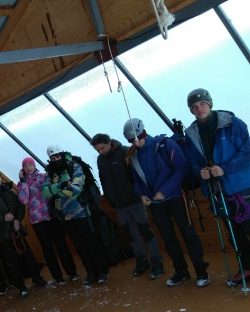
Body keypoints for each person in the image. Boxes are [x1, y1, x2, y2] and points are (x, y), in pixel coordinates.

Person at [123, 118, 210, 287]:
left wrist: (165, 190)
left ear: (144, 133)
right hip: (155, 204)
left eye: (137, 138)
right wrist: (141, 194)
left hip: (175, 197)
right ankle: (181, 271)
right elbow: (136, 179)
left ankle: (201, 270)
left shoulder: (164, 144)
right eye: (131, 140)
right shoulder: (133, 155)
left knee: (188, 234)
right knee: (168, 238)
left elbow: (182, 168)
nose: (135, 143)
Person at [184, 88, 250, 287]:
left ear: (210, 103)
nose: (199, 109)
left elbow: (247, 151)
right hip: (217, 190)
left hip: (241, 186)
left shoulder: (232, 123)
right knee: (234, 232)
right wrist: (200, 172)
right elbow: (192, 161)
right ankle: (247, 266)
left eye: (202, 104)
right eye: (194, 107)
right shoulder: (191, 133)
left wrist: (225, 168)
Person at [90, 133, 164, 278]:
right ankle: (142, 261)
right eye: (97, 150)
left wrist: (138, 193)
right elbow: (103, 180)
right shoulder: (101, 160)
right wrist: (110, 198)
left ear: (109, 142)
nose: (100, 152)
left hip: (134, 201)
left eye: (102, 148)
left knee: (146, 232)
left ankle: (157, 262)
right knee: (131, 235)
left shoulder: (125, 152)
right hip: (119, 205)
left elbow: (137, 174)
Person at [42, 145, 109, 285]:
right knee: (79, 246)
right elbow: (45, 192)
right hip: (64, 216)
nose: (55, 160)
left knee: (91, 242)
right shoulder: (50, 172)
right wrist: (62, 185)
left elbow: (76, 188)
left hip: (82, 212)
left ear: (62, 154)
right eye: (52, 158)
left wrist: (57, 191)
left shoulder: (74, 166)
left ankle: (102, 271)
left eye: (57, 156)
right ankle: (90, 273)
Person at [0, 167, 48, 298]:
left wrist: (17, 220)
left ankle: (37, 278)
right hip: (1, 235)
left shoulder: (8, 191)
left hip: (16, 230)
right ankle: (21, 286)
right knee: (10, 262)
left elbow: (20, 205)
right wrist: (3, 218)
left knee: (28, 255)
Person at [17, 157, 79, 284]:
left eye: (30, 165)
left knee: (61, 245)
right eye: (25, 166)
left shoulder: (44, 176)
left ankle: (72, 272)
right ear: (22, 169)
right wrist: (23, 181)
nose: (28, 168)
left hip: (52, 215)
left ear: (34, 166)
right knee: (47, 249)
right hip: (37, 220)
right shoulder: (22, 183)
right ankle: (58, 277)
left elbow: (52, 192)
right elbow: (23, 200)